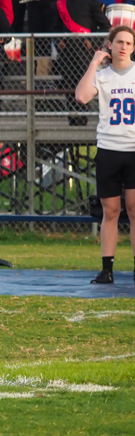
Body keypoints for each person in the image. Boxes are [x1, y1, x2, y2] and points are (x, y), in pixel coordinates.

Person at [74, 25, 135, 285]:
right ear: (110, 44)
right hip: (109, 149)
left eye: (128, 43)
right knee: (110, 211)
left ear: (133, 48)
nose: (123, 46)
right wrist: (94, 63)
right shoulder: (102, 76)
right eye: (119, 41)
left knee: (134, 209)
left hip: (133, 150)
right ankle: (107, 270)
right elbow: (81, 96)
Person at [55, 0, 110, 125]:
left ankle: (83, 118)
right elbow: (55, 28)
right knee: (68, 84)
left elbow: (105, 26)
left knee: (84, 83)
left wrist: (92, 41)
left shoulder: (90, 3)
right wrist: (59, 40)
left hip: (84, 52)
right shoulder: (61, 4)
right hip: (67, 52)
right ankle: (72, 118)